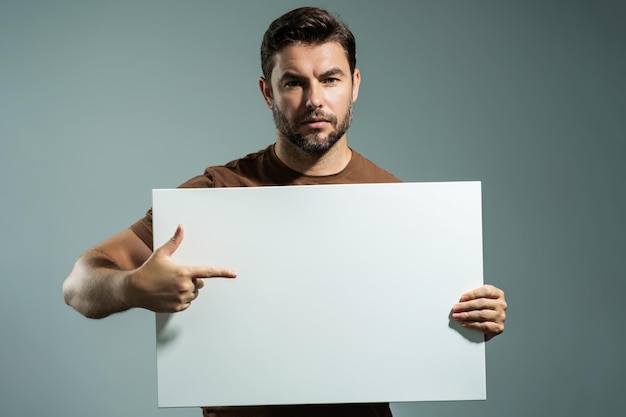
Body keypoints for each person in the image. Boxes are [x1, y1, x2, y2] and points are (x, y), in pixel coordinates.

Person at [63, 6, 507, 417]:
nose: (314, 99)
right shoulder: (217, 192)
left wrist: (472, 320)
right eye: (294, 82)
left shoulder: (399, 204)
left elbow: (418, 340)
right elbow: (79, 286)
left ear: (355, 84)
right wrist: (133, 287)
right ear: (267, 92)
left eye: (330, 79)